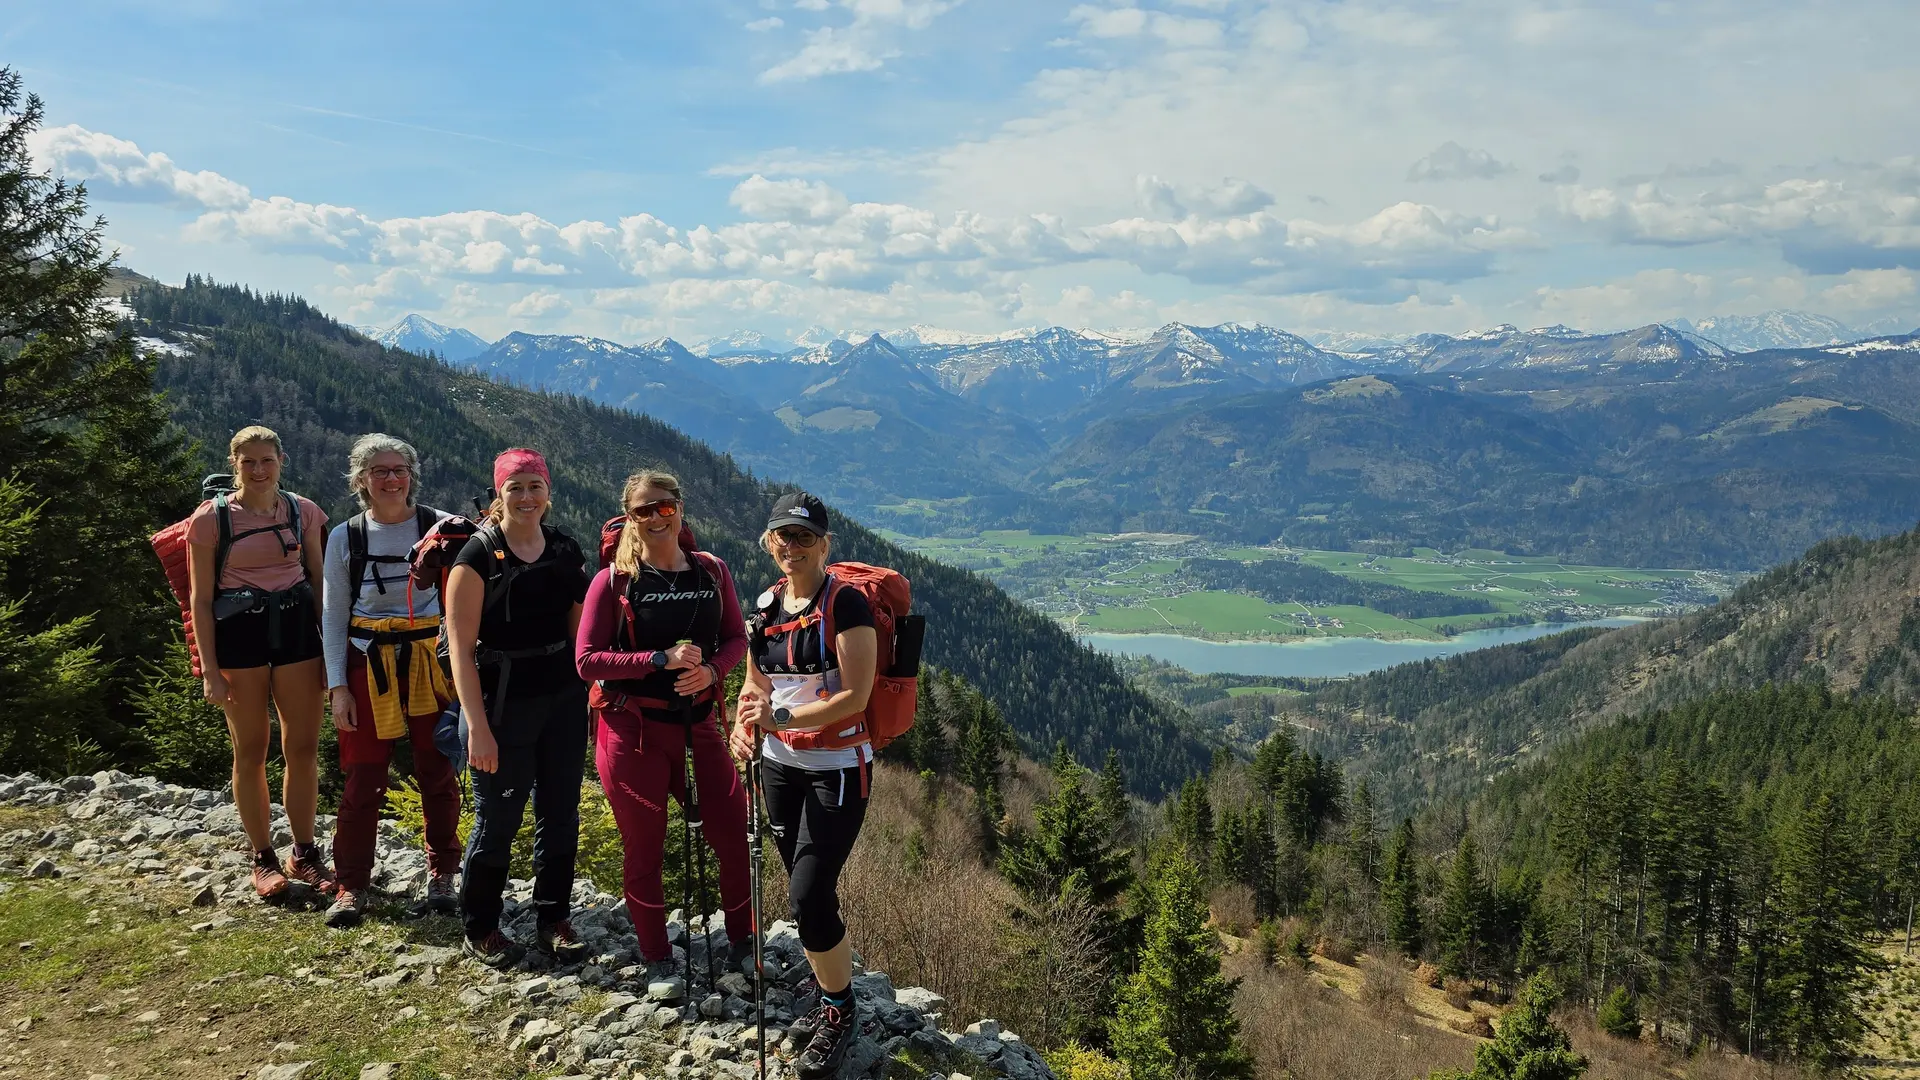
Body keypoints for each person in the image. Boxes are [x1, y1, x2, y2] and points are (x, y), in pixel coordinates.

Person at [576, 470, 754, 979]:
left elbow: (736, 637)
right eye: (643, 510)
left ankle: (743, 941)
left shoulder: (711, 571)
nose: (656, 517)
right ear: (629, 517)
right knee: (644, 848)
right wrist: (659, 659)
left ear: (680, 507)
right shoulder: (613, 581)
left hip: (699, 726)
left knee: (734, 835)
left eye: (665, 507)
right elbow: (587, 661)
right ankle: (656, 955)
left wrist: (711, 672)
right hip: (632, 733)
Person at [730, 491, 877, 1080]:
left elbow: (856, 696)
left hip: (836, 767)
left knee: (808, 895)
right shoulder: (766, 606)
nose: (791, 547)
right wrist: (744, 726)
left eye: (804, 537)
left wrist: (782, 720)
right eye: (782, 537)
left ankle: (841, 1009)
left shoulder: (847, 605)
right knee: (806, 892)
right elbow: (755, 687)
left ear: (824, 544)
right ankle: (830, 992)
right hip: (777, 767)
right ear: (769, 542)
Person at [444, 448, 591, 965]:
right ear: (498, 494)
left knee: (561, 812)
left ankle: (553, 918)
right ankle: (481, 925)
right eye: (515, 487)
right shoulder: (476, 559)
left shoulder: (564, 549)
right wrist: (477, 729)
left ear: (548, 492)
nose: (526, 497)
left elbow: (578, 635)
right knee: (498, 820)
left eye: (535, 486)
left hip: (562, 701)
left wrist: (588, 697)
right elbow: (460, 652)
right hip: (499, 707)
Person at [319, 434, 461, 928]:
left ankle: (443, 875)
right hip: (366, 660)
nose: (391, 479)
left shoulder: (443, 528)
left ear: (412, 475)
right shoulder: (346, 537)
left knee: (436, 769)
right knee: (364, 775)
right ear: (361, 479)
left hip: (430, 660)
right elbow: (333, 614)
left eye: (399, 469)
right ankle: (351, 883)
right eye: (379, 471)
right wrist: (338, 687)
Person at [187, 425, 333, 899]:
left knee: (303, 748)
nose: (257, 469)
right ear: (234, 463)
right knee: (250, 750)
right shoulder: (210, 520)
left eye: (266, 460)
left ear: (280, 461)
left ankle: (304, 853)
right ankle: (263, 856)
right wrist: (210, 670)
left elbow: (319, 580)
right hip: (239, 638)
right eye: (247, 461)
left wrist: (332, 654)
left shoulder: (303, 511)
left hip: (296, 633)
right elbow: (200, 599)